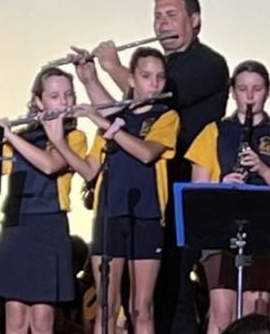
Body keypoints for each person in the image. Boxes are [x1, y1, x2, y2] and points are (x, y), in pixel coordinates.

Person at [93, 0, 229, 334]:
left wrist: (112, 66)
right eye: (157, 16)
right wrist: (90, 78)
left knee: (173, 285)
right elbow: (125, 114)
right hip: (142, 187)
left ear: (194, 20)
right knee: (135, 293)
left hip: (183, 185)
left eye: (171, 15)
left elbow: (153, 95)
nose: (162, 23)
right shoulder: (162, 63)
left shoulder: (208, 63)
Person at [57, 47, 180, 334]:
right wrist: (59, 141)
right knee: (106, 305)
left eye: (160, 77)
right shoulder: (115, 116)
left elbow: (147, 153)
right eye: (146, 76)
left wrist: (107, 126)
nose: (154, 83)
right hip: (109, 214)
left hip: (147, 216)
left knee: (141, 307)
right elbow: (90, 171)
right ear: (132, 80)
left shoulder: (165, 116)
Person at [185, 60, 270, 334]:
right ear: (232, 92)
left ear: (268, 91)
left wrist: (263, 169)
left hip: (263, 233)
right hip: (219, 234)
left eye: (257, 89)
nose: (250, 96)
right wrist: (222, 183)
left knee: (257, 307)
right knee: (221, 310)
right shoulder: (213, 132)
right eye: (243, 89)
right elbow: (197, 190)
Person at [0, 67, 88, 334]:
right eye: (54, 96)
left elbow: (51, 165)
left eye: (69, 95)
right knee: (15, 317)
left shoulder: (74, 137)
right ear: (39, 102)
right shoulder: (22, 137)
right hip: (17, 226)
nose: (64, 102)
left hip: (48, 227)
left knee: (42, 320)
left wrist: (10, 136)